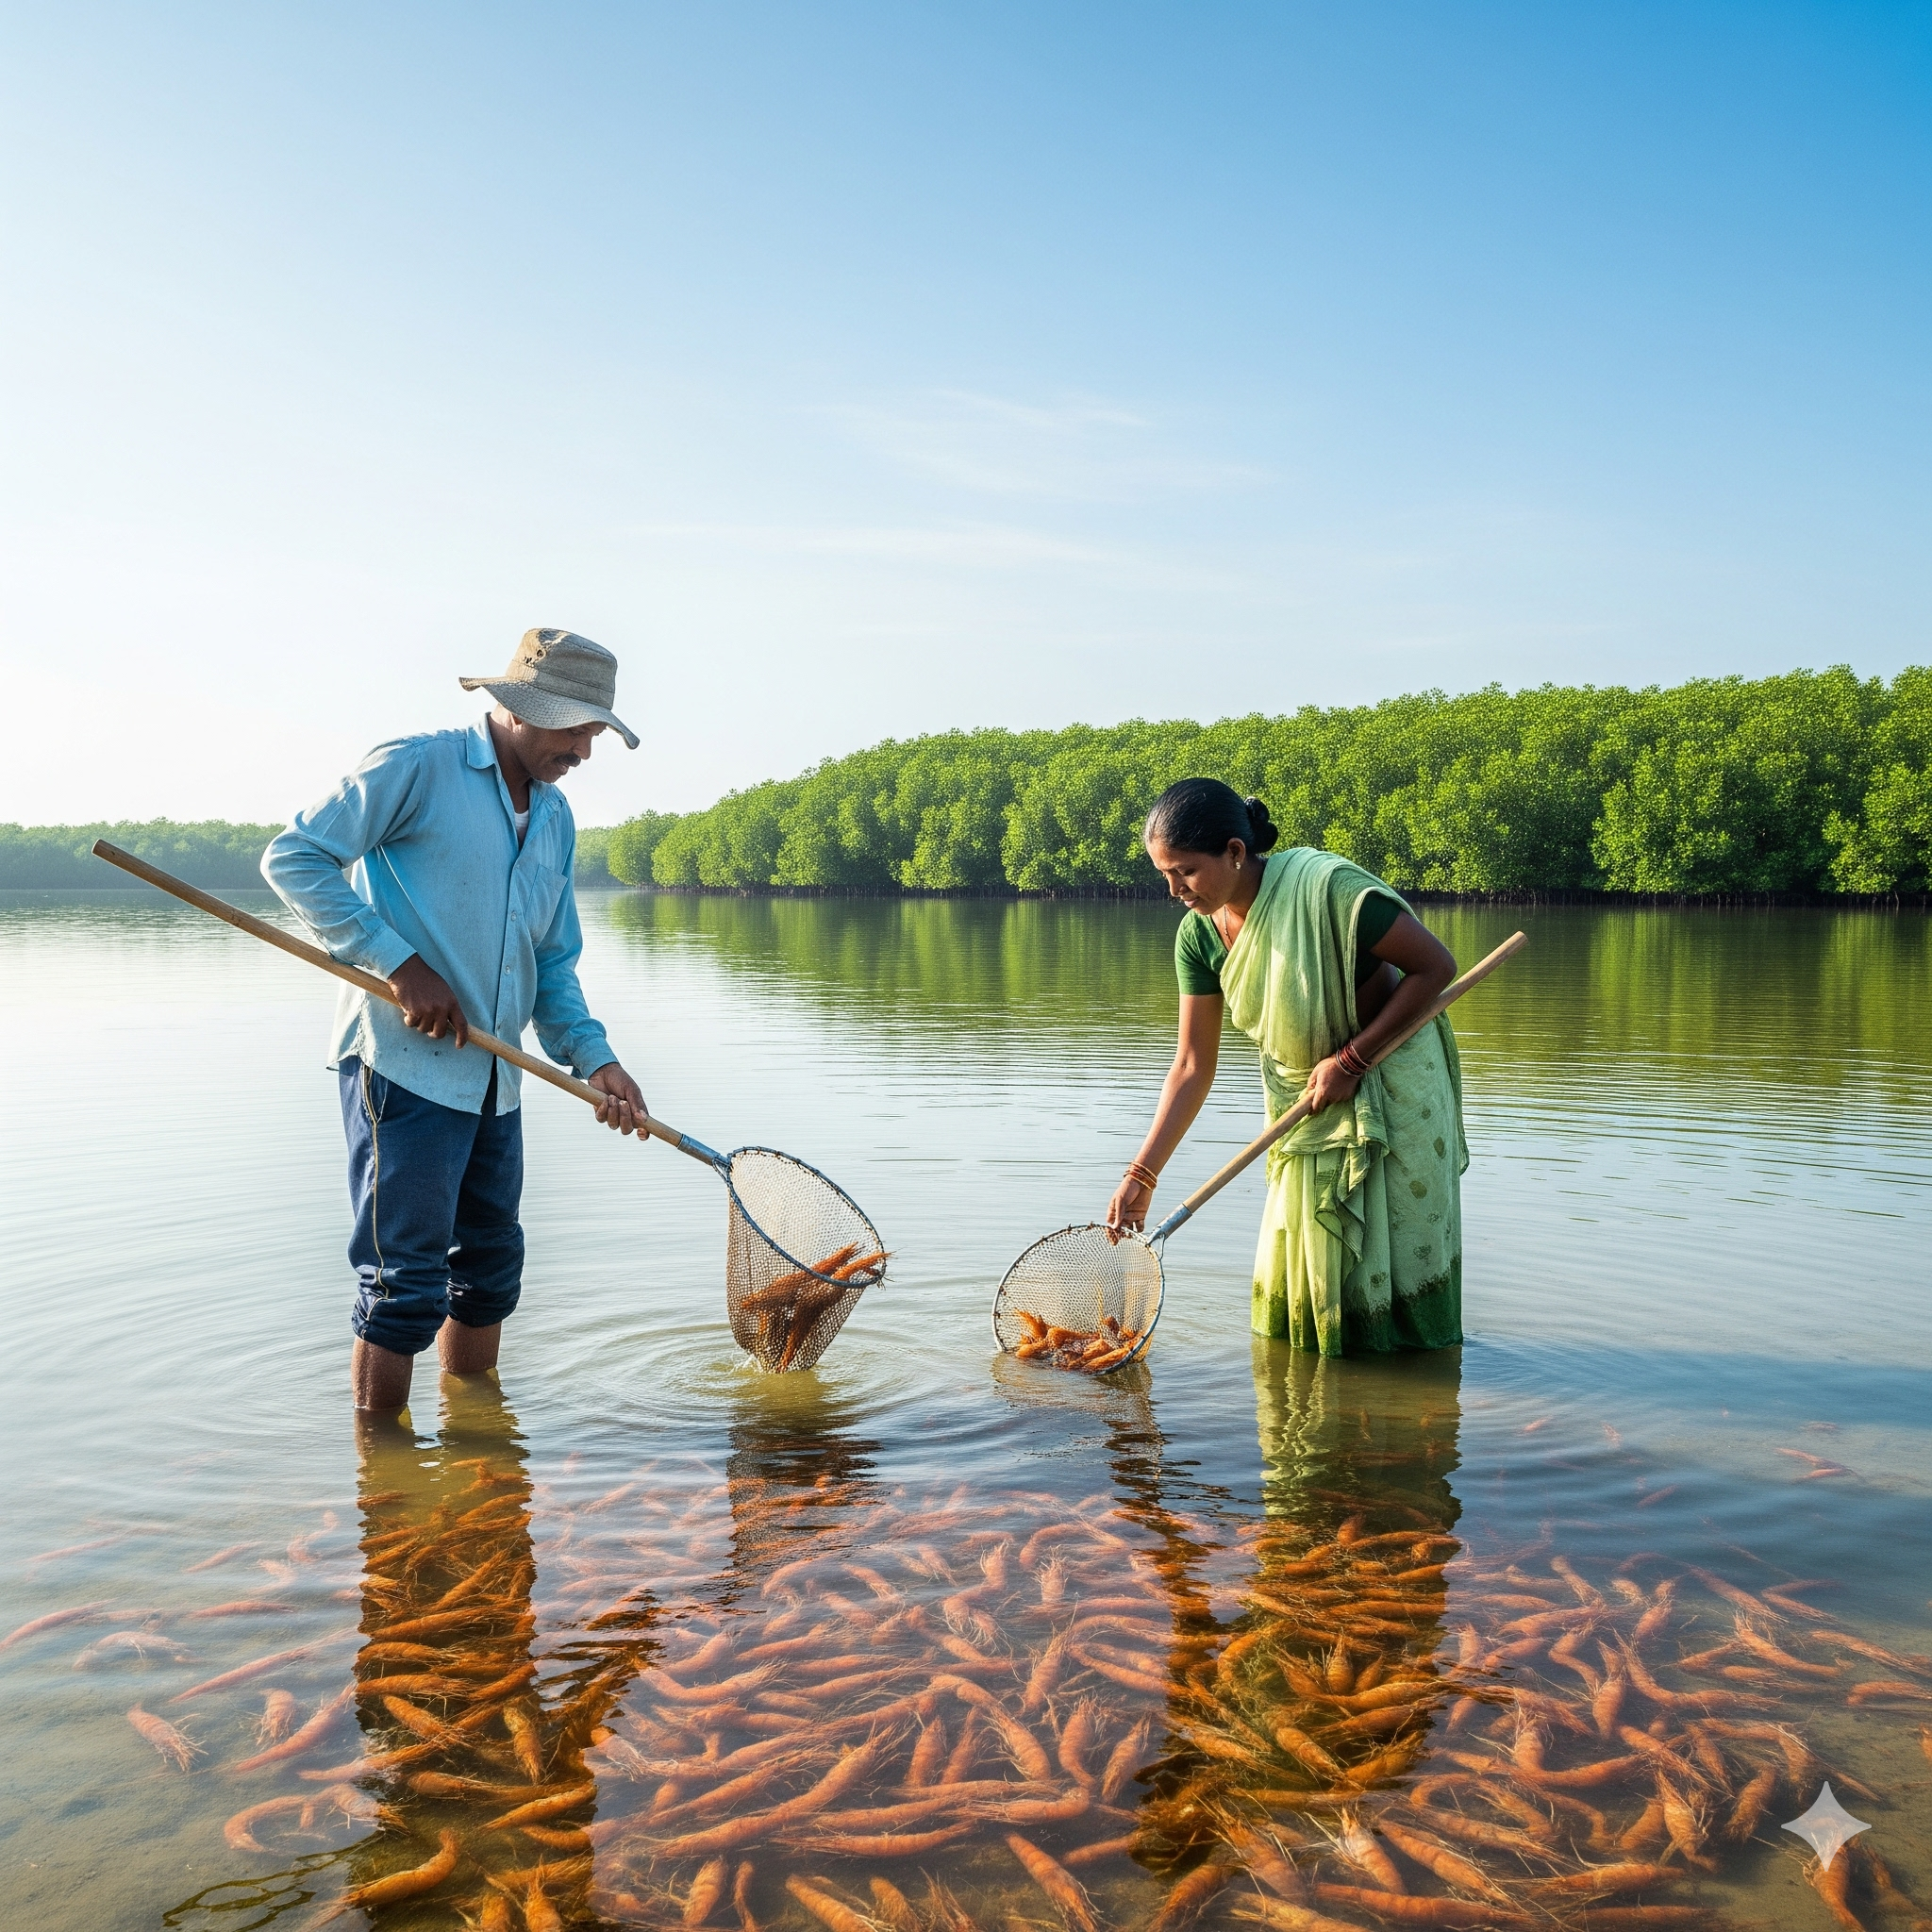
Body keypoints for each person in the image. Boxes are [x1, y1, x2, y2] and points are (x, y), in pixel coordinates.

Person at [263, 627, 650, 1411]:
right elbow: (295, 858)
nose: (584, 749)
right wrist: (400, 966)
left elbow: (554, 965)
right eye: (575, 727)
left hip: (496, 1081)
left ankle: (481, 1461)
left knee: (490, 1271)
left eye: (593, 731)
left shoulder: (554, 819)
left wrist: (595, 1060)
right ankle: (386, 1482)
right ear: (520, 710)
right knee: (404, 1282)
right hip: (402, 1069)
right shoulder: (417, 766)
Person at [1106, 777, 1467, 1357]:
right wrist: (1142, 1174)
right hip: (1304, 1101)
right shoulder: (1198, 937)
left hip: (1393, 1081)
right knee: (1300, 1281)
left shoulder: (1329, 892)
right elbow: (1193, 1064)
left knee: (1395, 1269)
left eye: (1186, 872)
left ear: (1234, 851)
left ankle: (1411, 1401)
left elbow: (1435, 968)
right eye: (1164, 875)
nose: (1174, 890)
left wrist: (1353, 1058)